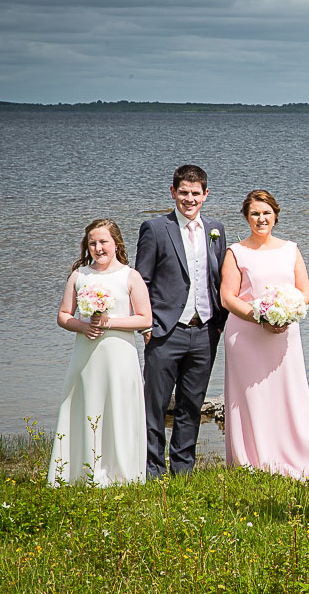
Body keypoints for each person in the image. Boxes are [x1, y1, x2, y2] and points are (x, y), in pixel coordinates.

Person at [220, 190, 309, 479]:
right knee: (252, 397)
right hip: (246, 337)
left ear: (275, 215)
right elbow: (228, 297)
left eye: (266, 213)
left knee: (289, 393)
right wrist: (261, 317)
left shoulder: (291, 249)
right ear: (246, 217)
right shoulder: (236, 252)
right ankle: (253, 460)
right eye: (254, 213)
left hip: (285, 335)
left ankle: (296, 456)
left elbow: (305, 291)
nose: (261, 218)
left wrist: (288, 312)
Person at [136, 165, 228, 478]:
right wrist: (146, 325)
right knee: (156, 405)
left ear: (206, 195)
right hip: (165, 331)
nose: (190, 199)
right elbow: (141, 281)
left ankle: (183, 470)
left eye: (196, 193)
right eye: (184, 193)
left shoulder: (216, 229)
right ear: (173, 192)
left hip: (205, 330)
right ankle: (152, 470)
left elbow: (220, 279)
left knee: (192, 405)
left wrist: (220, 322)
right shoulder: (155, 228)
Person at [48, 219, 152, 486]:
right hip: (87, 354)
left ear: (115, 243)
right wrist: (82, 326)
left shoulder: (131, 276)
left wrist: (110, 323)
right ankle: (82, 472)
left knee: (119, 408)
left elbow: (144, 319)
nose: (98, 247)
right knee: (86, 406)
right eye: (92, 243)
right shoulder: (79, 275)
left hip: (120, 354)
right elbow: (62, 315)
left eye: (103, 241)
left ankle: (123, 474)